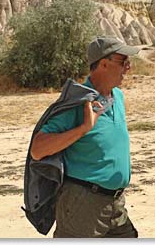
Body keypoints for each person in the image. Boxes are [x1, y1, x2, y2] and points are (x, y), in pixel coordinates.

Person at [30, 36, 140, 238]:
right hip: (83, 203)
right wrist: (84, 128)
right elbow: (38, 149)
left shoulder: (118, 96)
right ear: (104, 64)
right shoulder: (78, 101)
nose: (128, 68)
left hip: (116, 204)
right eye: (123, 62)